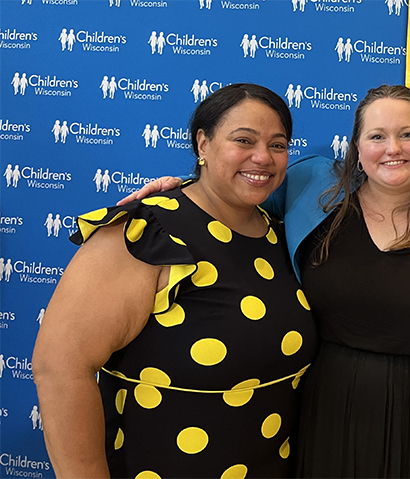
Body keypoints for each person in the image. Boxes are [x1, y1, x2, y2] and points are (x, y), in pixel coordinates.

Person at [119, 85, 410, 477]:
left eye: (407, 134)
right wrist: (182, 189)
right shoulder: (312, 185)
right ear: (356, 146)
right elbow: (234, 192)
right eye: (377, 136)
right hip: (328, 406)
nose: (393, 148)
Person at [33, 84, 317, 478]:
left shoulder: (281, 234)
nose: (262, 157)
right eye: (243, 140)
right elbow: (60, 367)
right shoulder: (148, 230)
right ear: (203, 143)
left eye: (278, 144)